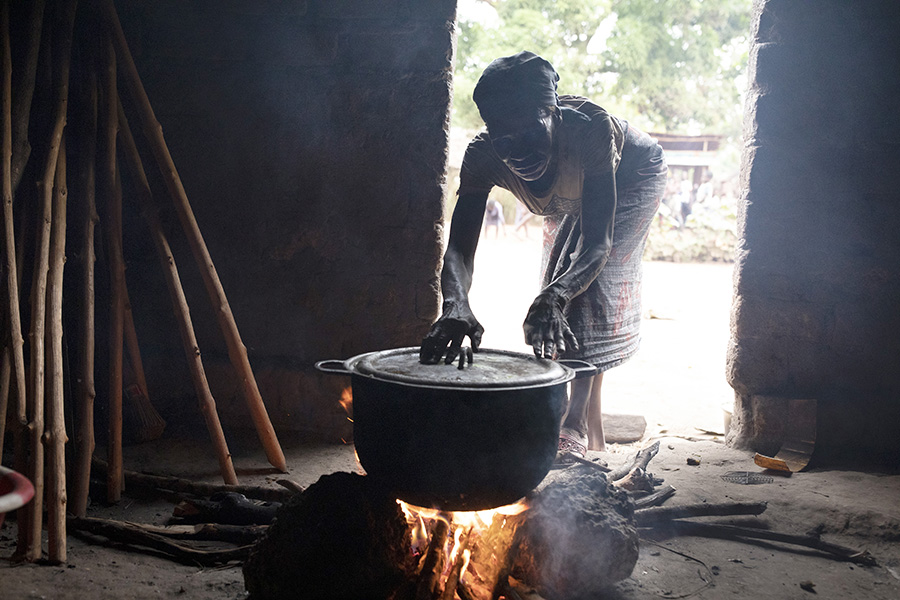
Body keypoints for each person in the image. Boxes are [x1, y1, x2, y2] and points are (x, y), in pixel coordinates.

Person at [419, 51, 666, 455]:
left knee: (577, 289)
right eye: (506, 141)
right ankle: (591, 427)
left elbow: (597, 243)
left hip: (632, 175)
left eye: (530, 133)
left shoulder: (589, 131)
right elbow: (459, 250)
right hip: (568, 194)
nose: (518, 153)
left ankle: (574, 426)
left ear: (553, 113)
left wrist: (556, 296)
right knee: (555, 287)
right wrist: (455, 304)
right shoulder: (484, 156)